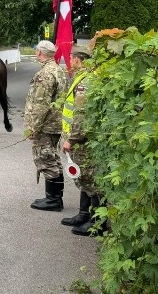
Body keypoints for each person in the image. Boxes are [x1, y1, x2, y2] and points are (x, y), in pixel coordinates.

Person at [60, 45, 103, 235]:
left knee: (90, 179)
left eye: (71, 57)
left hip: (82, 140)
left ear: (78, 59)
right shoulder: (82, 77)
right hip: (79, 140)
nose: (69, 60)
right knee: (82, 177)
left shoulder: (87, 81)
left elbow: (82, 114)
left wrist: (72, 139)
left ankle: (97, 224)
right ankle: (83, 214)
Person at [24, 40, 69, 211]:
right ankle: (55, 197)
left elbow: (40, 104)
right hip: (56, 123)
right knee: (53, 159)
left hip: (46, 124)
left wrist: (33, 127)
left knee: (46, 159)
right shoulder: (59, 70)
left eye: (37, 51)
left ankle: (53, 200)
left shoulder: (46, 74)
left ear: (39, 53)